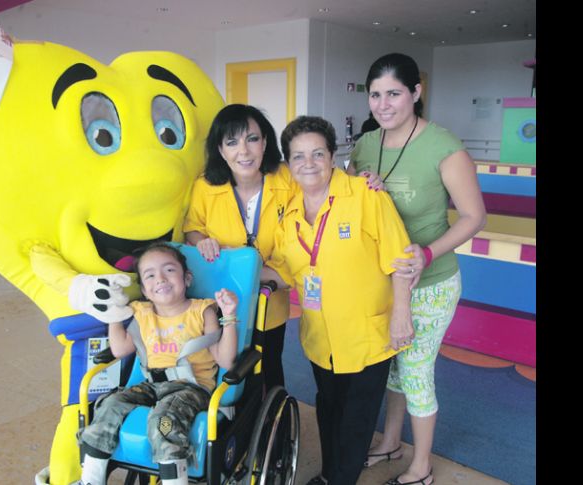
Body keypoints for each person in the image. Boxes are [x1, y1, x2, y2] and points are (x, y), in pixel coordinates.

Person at [348, 52, 486, 485]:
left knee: (415, 371)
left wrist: (427, 253)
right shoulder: (366, 145)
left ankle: (421, 465)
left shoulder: (443, 146)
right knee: (391, 364)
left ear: (416, 93)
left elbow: (472, 216)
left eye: (394, 93)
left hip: (431, 282)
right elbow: (353, 207)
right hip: (384, 283)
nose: (383, 104)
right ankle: (390, 440)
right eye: (375, 95)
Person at [262, 115, 415, 485]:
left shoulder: (366, 195)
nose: (308, 163)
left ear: (333, 156)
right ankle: (331, 475)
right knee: (329, 410)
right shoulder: (291, 214)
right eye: (298, 156)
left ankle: (340, 479)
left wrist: (401, 316)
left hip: (367, 333)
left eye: (318, 153)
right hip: (321, 338)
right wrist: (237, 272)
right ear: (288, 163)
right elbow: (284, 272)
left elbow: (401, 260)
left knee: (356, 418)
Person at [77, 242, 239, 485]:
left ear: (187, 278)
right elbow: (121, 349)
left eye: (169, 270)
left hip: (191, 387)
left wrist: (229, 316)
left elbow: (225, 359)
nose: (160, 278)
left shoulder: (201, 310)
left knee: (164, 420)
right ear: (144, 288)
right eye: (150, 275)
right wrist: (113, 315)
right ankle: (91, 479)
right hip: (151, 385)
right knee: (110, 404)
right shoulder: (141, 313)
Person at [183, 103, 296, 391]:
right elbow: (192, 229)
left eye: (252, 139)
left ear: (265, 143)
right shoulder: (205, 186)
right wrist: (202, 242)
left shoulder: (287, 179)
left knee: (270, 369)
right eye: (231, 142)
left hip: (271, 297)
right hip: (222, 300)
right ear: (221, 150)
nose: (243, 151)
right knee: (225, 373)